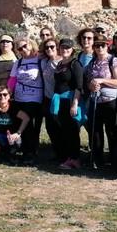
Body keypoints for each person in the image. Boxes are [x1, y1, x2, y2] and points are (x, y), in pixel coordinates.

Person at [84, 37, 117, 173]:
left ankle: (115, 162)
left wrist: (101, 80)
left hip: (111, 101)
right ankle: (97, 160)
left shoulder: (113, 60)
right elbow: (88, 82)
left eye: (102, 45)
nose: (100, 48)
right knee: (95, 133)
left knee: (112, 131)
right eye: (97, 45)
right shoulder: (92, 63)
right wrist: (91, 85)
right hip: (96, 101)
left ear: (107, 46)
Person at [48, 38, 85, 170]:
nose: (65, 50)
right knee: (64, 130)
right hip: (60, 100)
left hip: (70, 100)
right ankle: (67, 157)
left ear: (72, 50)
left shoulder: (75, 64)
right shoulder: (59, 64)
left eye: (68, 48)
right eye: (63, 47)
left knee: (72, 130)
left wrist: (75, 103)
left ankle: (75, 159)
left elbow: (79, 86)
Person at [8, 37, 45, 162]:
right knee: (20, 123)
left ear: (30, 44)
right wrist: (9, 92)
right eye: (19, 48)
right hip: (19, 97)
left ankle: (31, 152)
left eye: (25, 46)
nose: (23, 49)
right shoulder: (18, 62)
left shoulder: (40, 60)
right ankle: (24, 150)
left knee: (30, 124)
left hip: (35, 97)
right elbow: (12, 79)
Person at [0, 86, 31, 161]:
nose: (2, 96)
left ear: (9, 96)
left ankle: (9, 154)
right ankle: (0, 154)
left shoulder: (13, 107)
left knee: (17, 142)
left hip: (10, 137)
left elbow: (26, 118)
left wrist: (18, 133)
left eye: (5, 94)